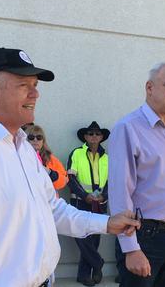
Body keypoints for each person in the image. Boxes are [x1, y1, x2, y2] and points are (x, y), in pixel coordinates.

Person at [0, 47, 139, 286]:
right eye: (24, 85)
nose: (35, 94)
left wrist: (105, 223)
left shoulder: (23, 148)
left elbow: (53, 209)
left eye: (35, 85)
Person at [108, 62, 165, 287]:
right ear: (149, 88)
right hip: (143, 238)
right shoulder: (128, 128)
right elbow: (120, 194)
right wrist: (131, 249)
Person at [67, 121, 111, 286]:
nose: (94, 136)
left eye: (97, 134)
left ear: (101, 137)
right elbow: (70, 178)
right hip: (81, 201)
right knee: (81, 236)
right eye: (90, 133)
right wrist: (84, 195)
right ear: (85, 136)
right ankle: (98, 263)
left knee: (94, 240)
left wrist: (103, 196)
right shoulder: (76, 153)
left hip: (100, 203)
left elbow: (111, 180)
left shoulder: (107, 157)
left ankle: (84, 275)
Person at [25, 124, 68, 191]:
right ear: (26, 140)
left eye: (39, 137)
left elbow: (65, 179)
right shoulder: (19, 157)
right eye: (31, 137)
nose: (35, 140)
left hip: (48, 199)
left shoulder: (50, 159)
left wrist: (50, 173)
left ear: (43, 141)